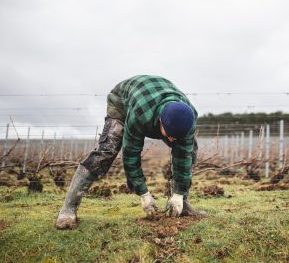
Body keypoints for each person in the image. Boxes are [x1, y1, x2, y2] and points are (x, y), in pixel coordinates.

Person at [56, 75, 206, 230]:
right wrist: (144, 194)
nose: (171, 140)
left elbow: (183, 157)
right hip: (122, 102)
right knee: (107, 150)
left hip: (151, 95)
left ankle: (181, 204)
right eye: (169, 136)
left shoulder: (189, 118)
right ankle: (68, 209)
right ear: (160, 120)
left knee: (190, 149)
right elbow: (130, 154)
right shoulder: (140, 114)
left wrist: (179, 194)